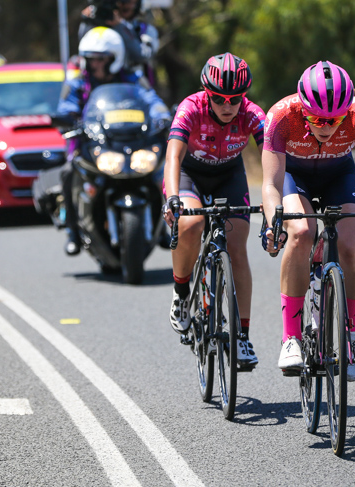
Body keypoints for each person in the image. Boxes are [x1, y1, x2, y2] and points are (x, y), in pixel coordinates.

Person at [260, 60, 355, 381]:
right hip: (294, 177)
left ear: (348, 109)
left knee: (351, 248)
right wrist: (272, 223)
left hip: (338, 175)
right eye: (316, 119)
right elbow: (270, 183)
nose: (326, 126)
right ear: (302, 107)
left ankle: (350, 336)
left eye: (335, 120)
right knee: (300, 231)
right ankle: (291, 338)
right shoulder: (282, 115)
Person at [162, 53, 267, 369]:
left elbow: (275, 158)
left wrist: (280, 201)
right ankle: (181, 295)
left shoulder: (251, 114)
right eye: (219, 98)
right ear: (206, 92)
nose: (227, 104)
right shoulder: (190, 108)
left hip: (229, 176)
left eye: (235, 98)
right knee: (191, 224)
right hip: (189, 175)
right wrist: (171, 198)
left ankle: (242, 337)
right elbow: (172, 158)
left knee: (237, 248)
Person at [58, 25, 167, 255]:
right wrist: (68, 119)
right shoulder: (79, 83)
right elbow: (66, 108)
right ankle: (73, 233)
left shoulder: (133, 78)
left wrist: (162, 116)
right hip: (91, 144)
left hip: (131, 142)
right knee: (68, 172)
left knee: (162, 169)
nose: (94, 64)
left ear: (115, 58)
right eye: (90, 59)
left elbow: (152, 100)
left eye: (100, 59)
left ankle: (164, 228)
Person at [79, 0, 158, 81]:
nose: (123, 6)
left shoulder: (144, 29)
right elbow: (84, 49)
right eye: (119, 2)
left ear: (138, 3)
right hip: (98, 86)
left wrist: (120, 26)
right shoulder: (98, 23)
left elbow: (142, 56)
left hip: (129, 85)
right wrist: (88, 22)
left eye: (128, 2)